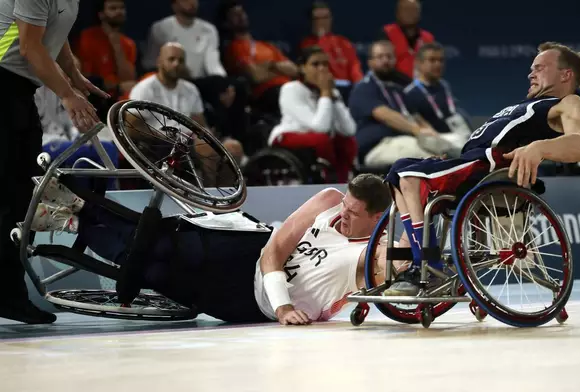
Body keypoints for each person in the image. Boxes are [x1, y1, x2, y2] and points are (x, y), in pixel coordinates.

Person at [29, 174, 394, 325]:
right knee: (162, 238)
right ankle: (75, 200)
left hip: (247, 303)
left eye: (353, 213)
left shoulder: (370, 254)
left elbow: (398, 265)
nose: (343, 215)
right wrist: (284, 305)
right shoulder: (330, 200)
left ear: (378, 217)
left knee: (149, 270)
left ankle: (69, 219)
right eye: (345, 206)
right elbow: (273, 252)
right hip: (250, 250)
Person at [382, 42, 580, 296]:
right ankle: (416, 260)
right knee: (399, 172)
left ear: (565, 74)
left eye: (539, 68)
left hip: (487, 172)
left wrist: (539, 148)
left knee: (409, 177)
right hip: (468, 164)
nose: (531, 73)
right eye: (531, 68)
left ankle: (425, 265)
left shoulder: (568, 102)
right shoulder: (528, 105)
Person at [0, 0, 109, 324]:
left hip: (18, 92)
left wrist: (74, 77)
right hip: (2, 86)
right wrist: (66, 94)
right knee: (6, 197)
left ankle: (9, 296)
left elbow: (55, 40)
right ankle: (9, 296)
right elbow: (31, 47)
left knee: (21, 199)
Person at [129, 42, 246, 185]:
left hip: (187, 142)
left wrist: (208, 136)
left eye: (181, 60)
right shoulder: (144, 88)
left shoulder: (190, 89)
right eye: (171, 59)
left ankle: (226, 196)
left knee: (234, 148)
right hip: (159, 144)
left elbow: (200, 125)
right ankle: (210, 195)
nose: (176, 64)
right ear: (159, 61)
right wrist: (161, 136)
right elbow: (131, 128)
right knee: (206, 147)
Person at [269, 46, 357, 183]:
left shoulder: (331, 91)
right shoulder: (291, 89)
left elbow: (349, 129)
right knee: (321, 139)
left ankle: (344, 181)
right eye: (315, 64)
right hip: (288, 135)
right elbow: (319, 127)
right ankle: (328, 179)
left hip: (319, 138)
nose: (322, 69)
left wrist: (333, 96)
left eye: (325, 64)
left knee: (346, 141)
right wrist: (326, 94)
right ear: (303, 68)